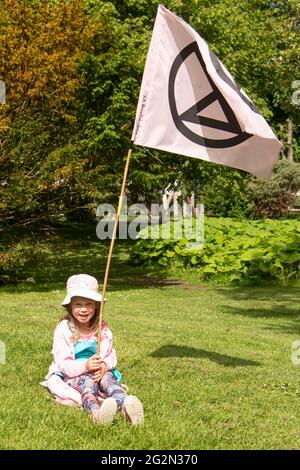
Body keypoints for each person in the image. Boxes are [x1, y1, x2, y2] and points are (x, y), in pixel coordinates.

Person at [44, 274, 144, 425]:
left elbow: (110, 354)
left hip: (98, 371)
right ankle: (97, 414)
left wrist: (104, 366)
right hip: (74, 375)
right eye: (78, 304)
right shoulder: (63, 329)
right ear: (70, 306)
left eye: (89, 304)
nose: (84, 309)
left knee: (109, 381)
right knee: (88, 384)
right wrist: (85, 366)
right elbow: (63, 363)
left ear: (96, 306)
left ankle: (126, 407)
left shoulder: (101, 329)